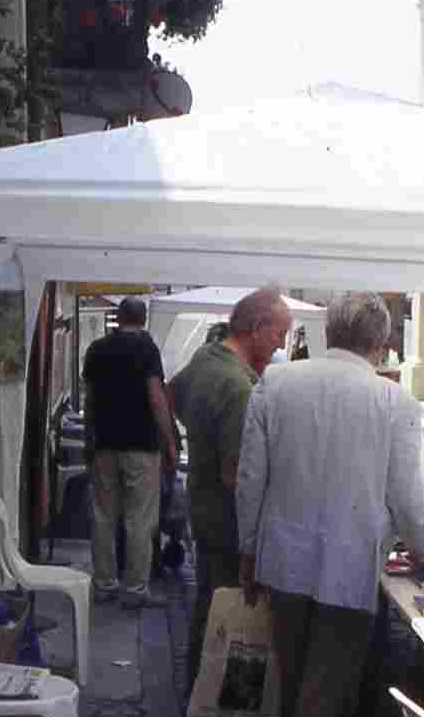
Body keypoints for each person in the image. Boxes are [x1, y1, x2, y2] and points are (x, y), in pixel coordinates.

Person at [237, 292, 424, 717]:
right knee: (329, 678)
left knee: (295, 666)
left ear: (329, 331)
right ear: (382, 343)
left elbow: (251, 478)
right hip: (349, 560)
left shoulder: (276, 383)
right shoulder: (393, 402)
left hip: (285, 552)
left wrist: (248, 550)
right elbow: (406, 493)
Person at [169, 287, 294, 696]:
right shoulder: (239, 386)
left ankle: (197, 704)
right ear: (258, 328)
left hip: (204, 507)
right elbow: (236, 475)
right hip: (226, 521)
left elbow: (172, 394)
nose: (281, 344)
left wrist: (193, 439)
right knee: (225, 619)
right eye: (280, 334)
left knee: (209, 607)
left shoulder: (207, 357)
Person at [83, 296, 178, 607]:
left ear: (118, 317)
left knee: (103, 517)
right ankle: (135, 590)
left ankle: (104, 584)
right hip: (141, 447)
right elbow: (156, 398)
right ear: (144, 318)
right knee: (139, 520)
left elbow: (90, 400)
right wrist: (170, 444)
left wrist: (89, 440)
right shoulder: (147, 350)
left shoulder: (97, 350)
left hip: (104, 446)